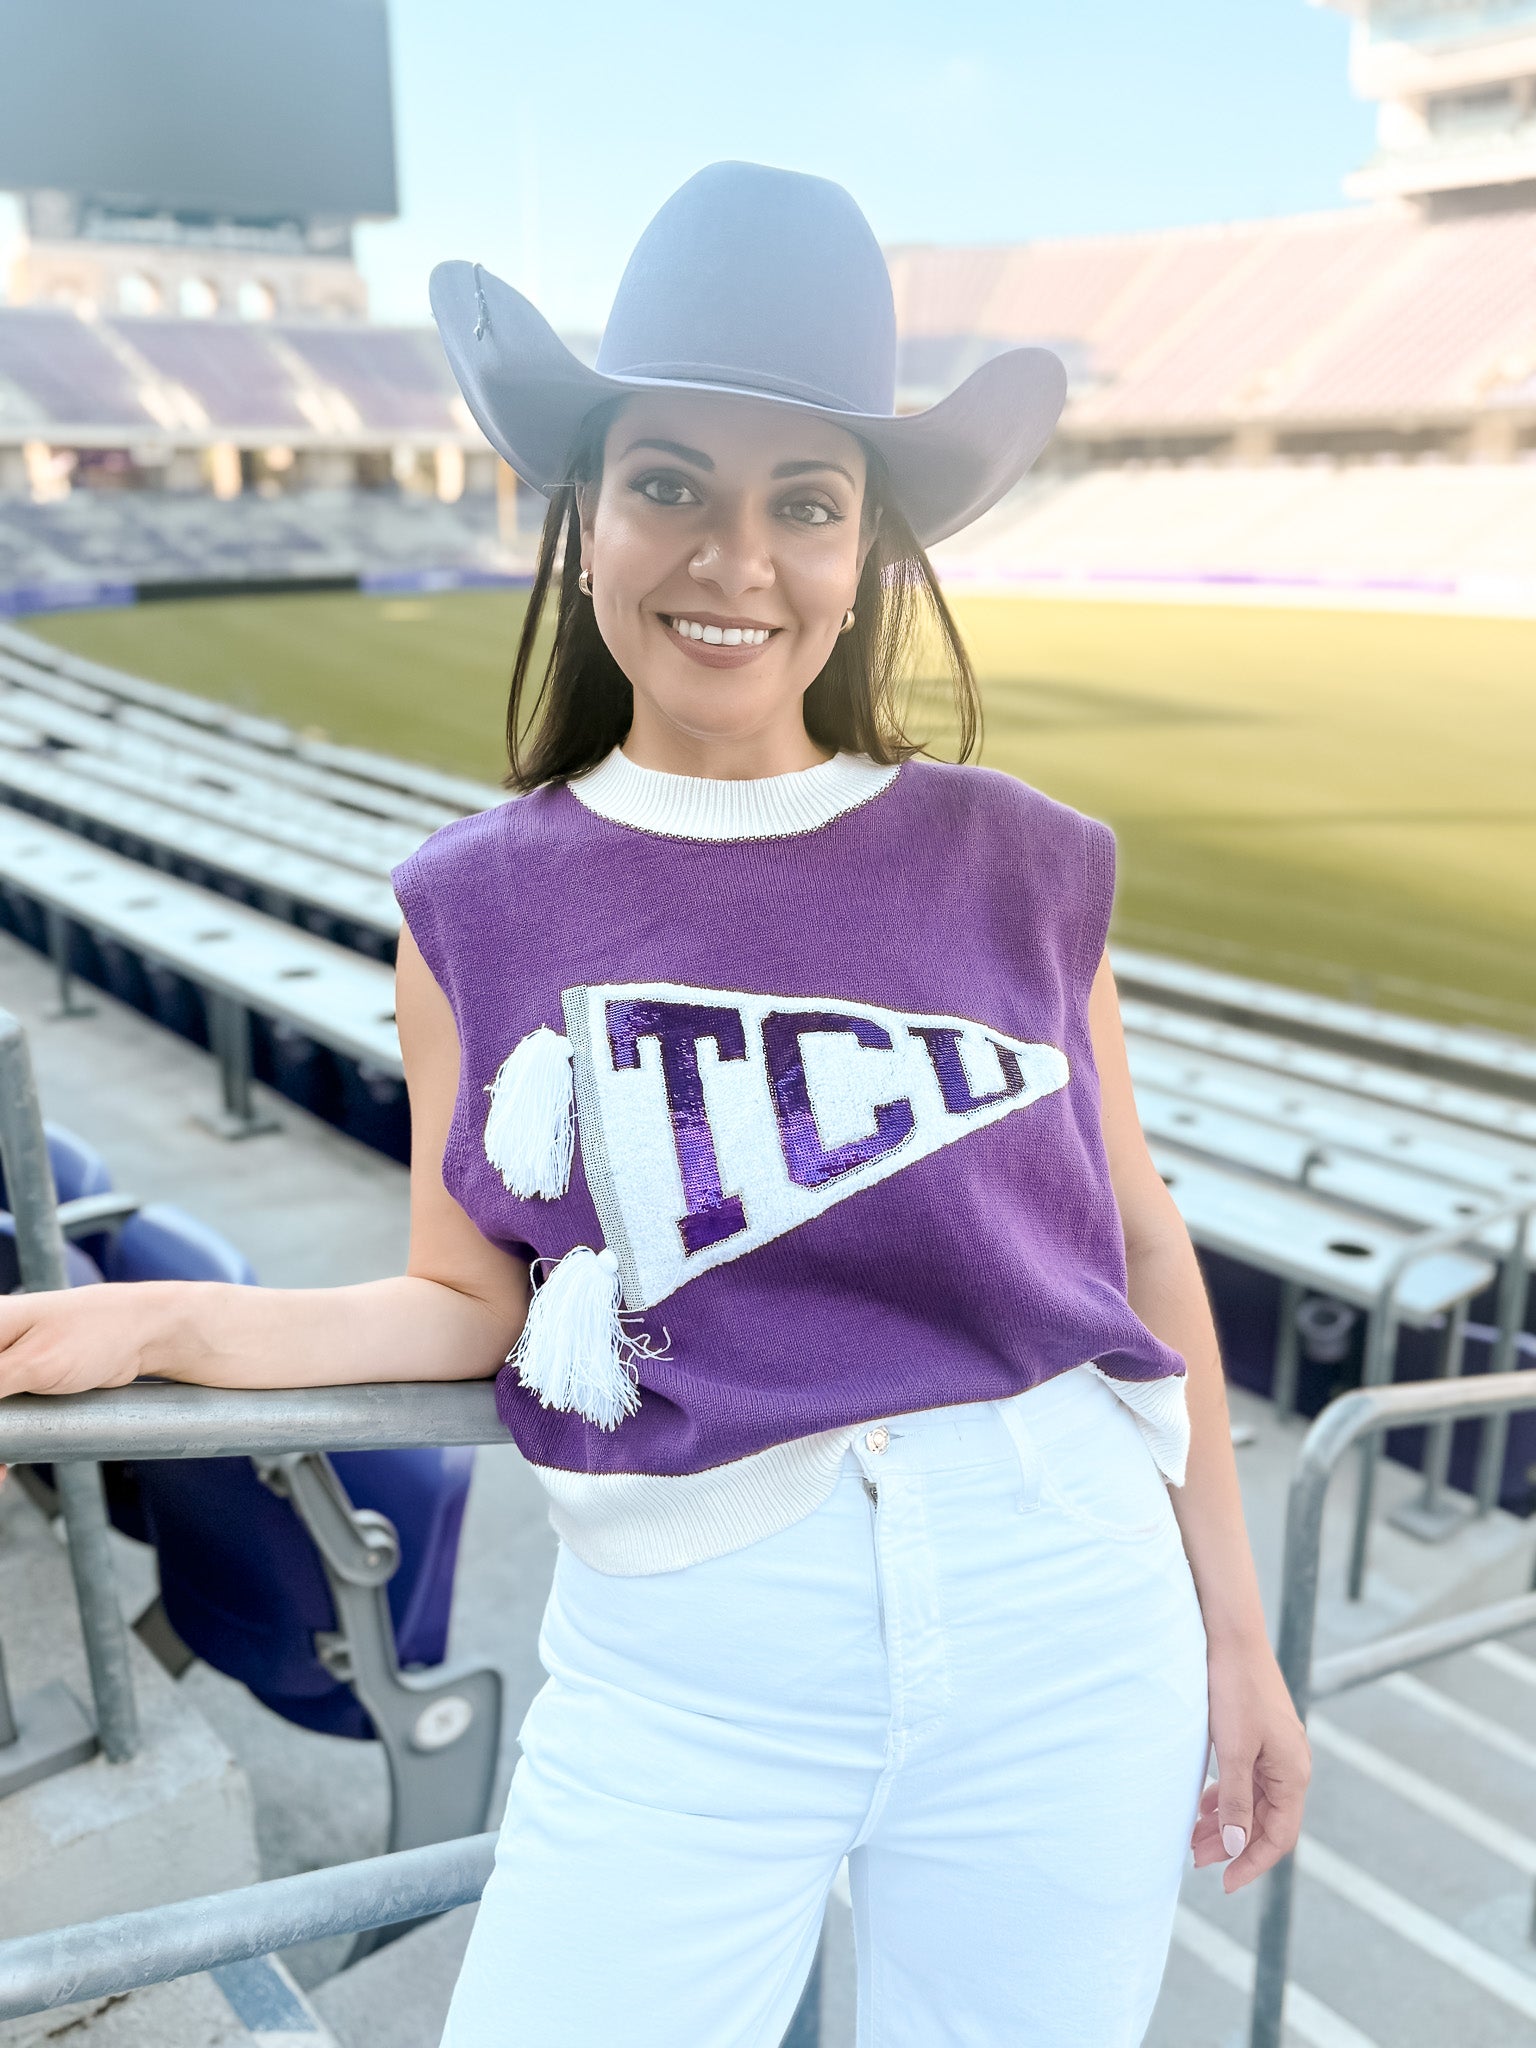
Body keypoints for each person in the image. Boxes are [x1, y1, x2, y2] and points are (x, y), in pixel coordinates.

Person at [0, 163, 1309, 2046]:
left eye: (807, 502)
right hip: (693, 1669)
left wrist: (1240, 1645)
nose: (736, 560)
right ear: (586, 511)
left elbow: (1141, 1236)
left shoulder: (1018, 859)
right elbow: (465, 1301)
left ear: (867, 550)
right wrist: (163, 1321)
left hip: (1066, 1609)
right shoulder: (474, 903)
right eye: (671, 483)